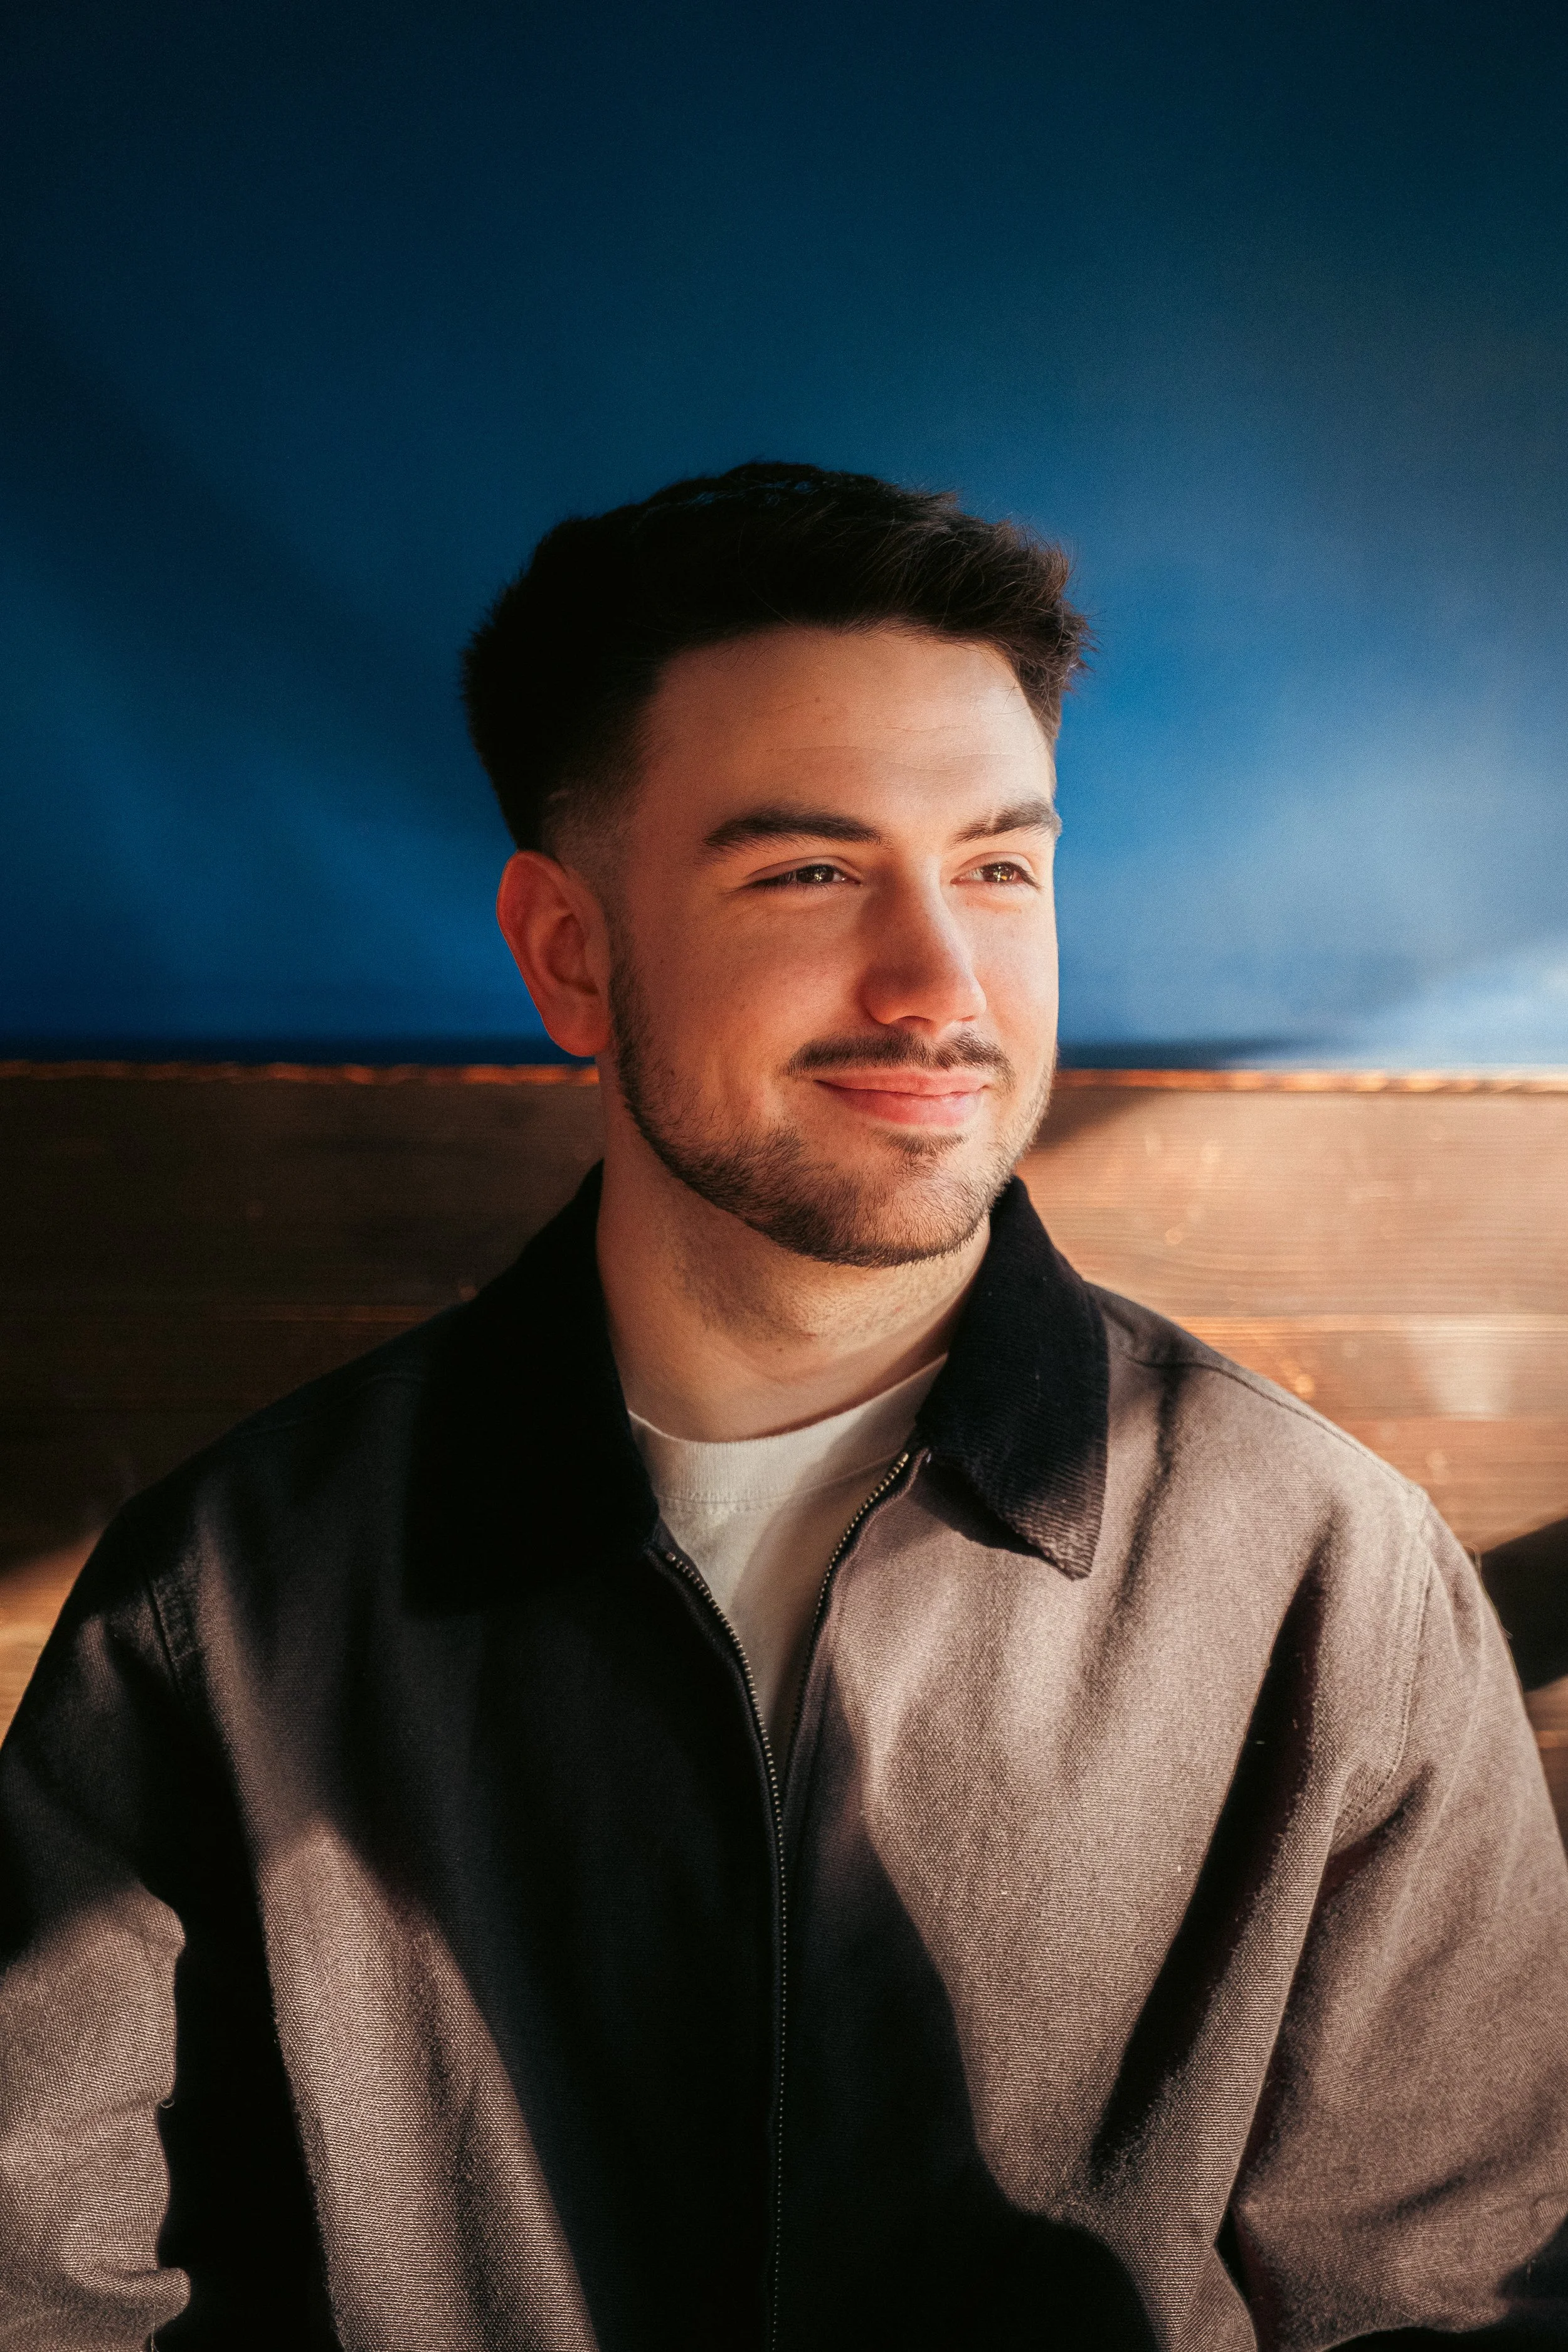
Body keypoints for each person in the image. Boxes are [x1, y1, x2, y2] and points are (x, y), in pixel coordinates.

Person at [1, 463, 1564, 2352]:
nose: (939, 982)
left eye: (997, 864)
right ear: (569, 952)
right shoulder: (224, 1607)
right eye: (811, 870)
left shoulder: (1328, 1573)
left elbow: (1450, 2308)